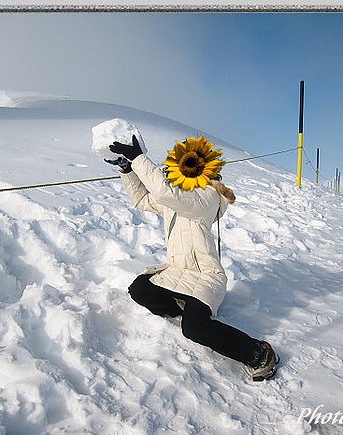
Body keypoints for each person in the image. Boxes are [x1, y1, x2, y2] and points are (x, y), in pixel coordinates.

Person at [105, 134, 279, 381]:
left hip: (207, 278)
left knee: (193, 328)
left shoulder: (208, 197)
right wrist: (128, 171)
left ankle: (258, 354)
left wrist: (139, 160)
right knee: (140, 289)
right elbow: (144, 200)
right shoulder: (179, 197)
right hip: (178, 272)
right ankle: (179, 304)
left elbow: (169, 196)